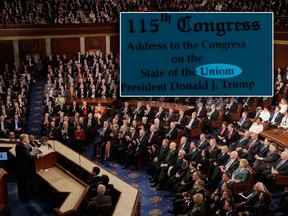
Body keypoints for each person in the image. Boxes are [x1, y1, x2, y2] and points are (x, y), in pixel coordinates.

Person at [15, 133, 43, 201]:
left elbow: (26, 152)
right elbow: (28, 156)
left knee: (22, 182)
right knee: (23, 182)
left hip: (21, 167)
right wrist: (38, 156)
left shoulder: (20, 145)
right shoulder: (23, 147)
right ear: (24, 139)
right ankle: (24, 196)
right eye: (27, 138)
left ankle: (23, 195)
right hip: (23, 168)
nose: (28, 139)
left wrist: (32, 148)